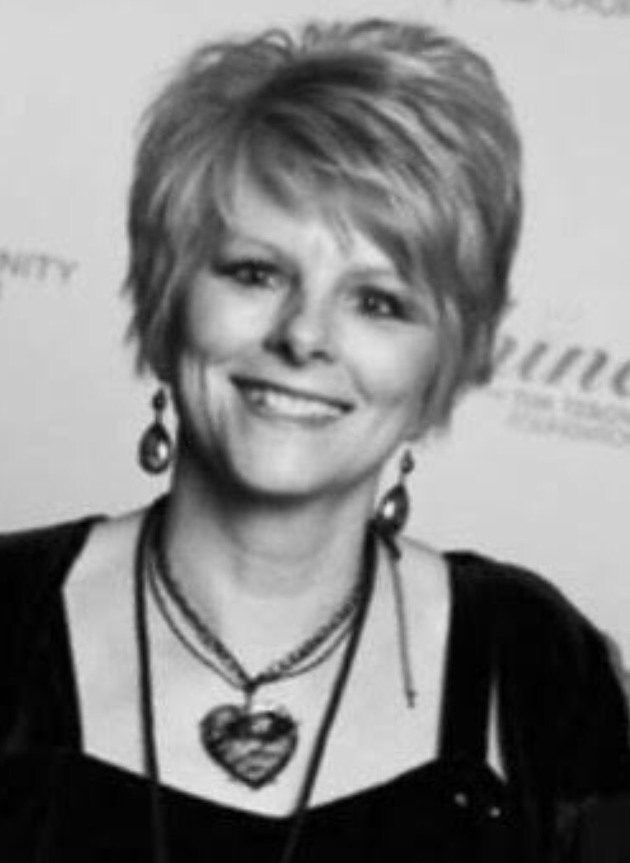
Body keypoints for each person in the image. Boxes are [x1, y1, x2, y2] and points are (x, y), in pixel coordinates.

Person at [1, 16, 629, 863]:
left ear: (446, 360)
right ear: (165, 298)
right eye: (256, 272)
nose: (304, 335)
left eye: (377, 302)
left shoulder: (538, 667)